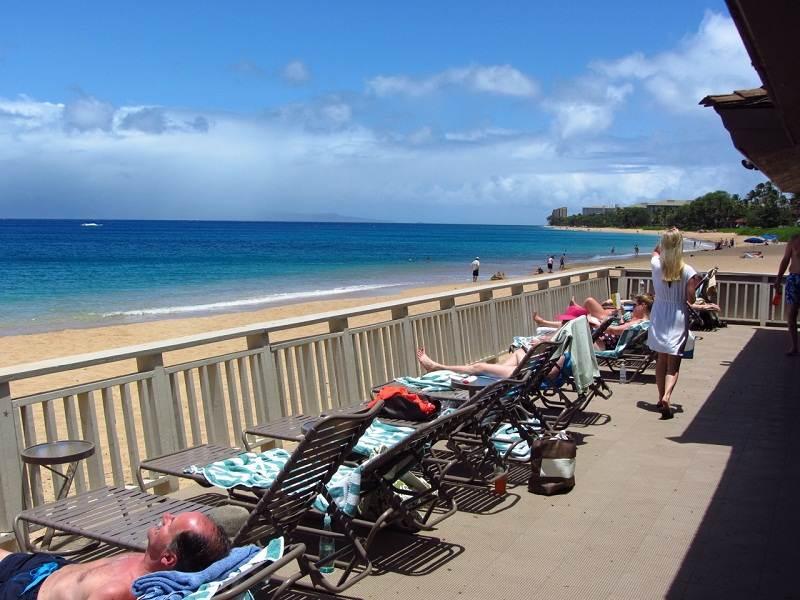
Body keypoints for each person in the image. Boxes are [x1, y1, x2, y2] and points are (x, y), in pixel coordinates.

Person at [0, 511, 230, 600]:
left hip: (25, 593)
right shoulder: (143, 561)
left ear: (169, 558)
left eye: (172, 523)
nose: (166, 515)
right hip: (48, 568)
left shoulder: (118, 591)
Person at [647, 228, 706, 420]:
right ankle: (667, 396)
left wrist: (667, 238)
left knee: (660, 359)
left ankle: (658, 396)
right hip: (677, 315)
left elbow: (655, 252)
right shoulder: (688, 271)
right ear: (680, 246)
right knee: (674, 364)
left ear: (664, 245)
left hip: (659, 313)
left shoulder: (656, 265)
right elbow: (691, 299)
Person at [775, 233, 800, 355]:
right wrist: (778, 279)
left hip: (794, 279)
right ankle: (794, 346)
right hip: (794, 278)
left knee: (792, 315)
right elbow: (785, 260)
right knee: (791, 314)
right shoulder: (794, 239)